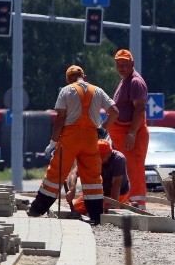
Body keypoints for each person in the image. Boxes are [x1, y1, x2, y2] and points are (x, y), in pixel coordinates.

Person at [27, 65, 119, 224]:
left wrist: (53, 143)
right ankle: (96, 216)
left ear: (68, 79)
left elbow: (60, 119)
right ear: (85, 76)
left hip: (70, 138)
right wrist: (102, 129)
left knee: (55, 174)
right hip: (91, 139)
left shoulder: (66, 91)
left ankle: (37, 209)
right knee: (93, 178)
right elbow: (115, 112)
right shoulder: (97, 91)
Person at [108, 49, 150, 209]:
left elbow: (140, 109)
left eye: (125, 65)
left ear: (132, 64)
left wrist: (131, 133)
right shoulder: (125, 81)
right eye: (118, 64)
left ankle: (138, 205)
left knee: (134, 171)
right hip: (123, 136)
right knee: (125, 171)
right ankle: (127, 203)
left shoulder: (135, 82)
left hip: (132, 136)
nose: (121, 68)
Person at [66, 139, 130, 216]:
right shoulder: (93, 157)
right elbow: (73, 173)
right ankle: (121, 205)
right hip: (99, 193)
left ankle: (128, 205)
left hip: (118, 193)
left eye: (101, 156)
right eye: (97, 155)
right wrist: (72, 188)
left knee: (107, 210)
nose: (98, 159)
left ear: (109, 153)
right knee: (77, 208)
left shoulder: (119, 159)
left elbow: (116, 184)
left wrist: (113, 204)